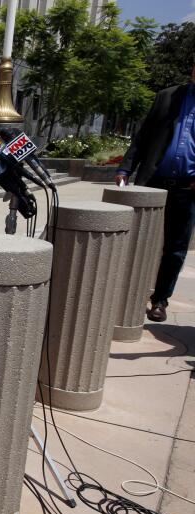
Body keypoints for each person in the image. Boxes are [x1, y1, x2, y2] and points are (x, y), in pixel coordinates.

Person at [116, 59, 195, 323]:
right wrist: (125, 169)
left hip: (188, 188)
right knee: (134, 241)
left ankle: (160, 299)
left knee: (175, 248)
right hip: (153, 182)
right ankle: (123, 294)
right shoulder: (168, 97)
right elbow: (144, 135)